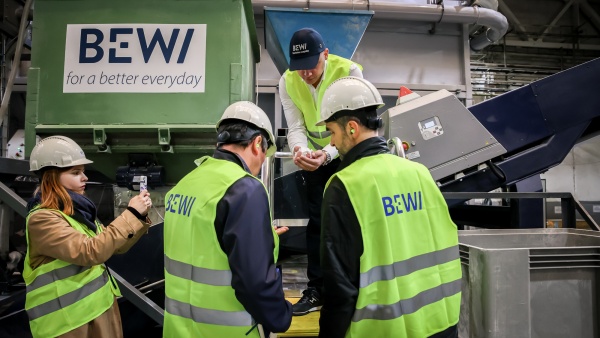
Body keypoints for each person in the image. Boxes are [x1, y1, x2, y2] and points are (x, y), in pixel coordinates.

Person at [317, 77, 462, 338]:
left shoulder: (344, 185)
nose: (333, 143)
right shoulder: (420, 173)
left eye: (332, 132)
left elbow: (339, 287)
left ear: (351, 128)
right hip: (441, 322)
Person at [162, 101, 293, 338]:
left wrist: (262, 238)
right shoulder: (245, 189)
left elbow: (205, 245)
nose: (262, 162)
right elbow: (255, 283)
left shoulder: (186, 183)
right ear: (256, 144)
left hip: (179, 330)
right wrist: (281, 316)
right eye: (264, 153)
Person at [23, 135, 152, 338]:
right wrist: (131, 215)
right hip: (68, 323)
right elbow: (90, 252)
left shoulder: (77, 212)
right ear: (52, 176)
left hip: (98, 310)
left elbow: (113, 246)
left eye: (83, 172)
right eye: (75, 172)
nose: (84, 178)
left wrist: (138, 218)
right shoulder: (42, 219)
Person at [278, 27, 363, 315]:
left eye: (310, 65)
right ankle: (317, 290)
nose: (305, 74)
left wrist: (328, 154)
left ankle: (354, 288)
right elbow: (296, 126)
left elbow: (358, 124)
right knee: (318, 223)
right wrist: (299, 152)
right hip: (314, 157)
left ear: (325, 55)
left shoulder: (349, 71)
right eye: (298, 68)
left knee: (353, 221)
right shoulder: (287, 82)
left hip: (349, 153)